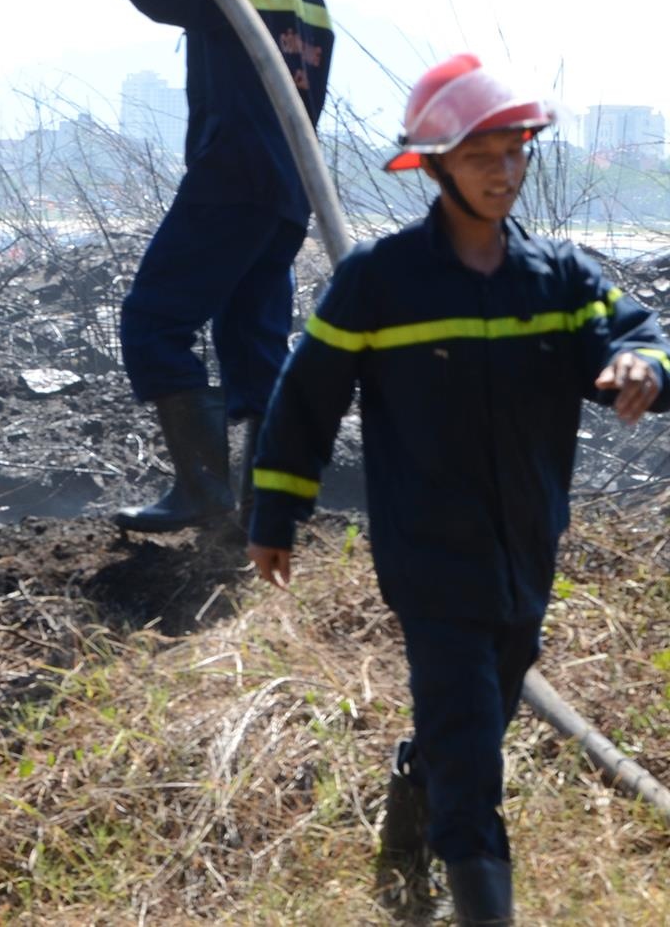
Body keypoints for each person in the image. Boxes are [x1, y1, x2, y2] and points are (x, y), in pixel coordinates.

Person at [246, 54, 670, 925]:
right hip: (428, 554)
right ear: (436, 164)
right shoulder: (380, 279)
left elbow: (636, 332)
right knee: (475, 752)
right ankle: (479, 893)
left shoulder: (559, 278)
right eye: (483, 156)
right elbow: (306, 399)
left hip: (526, 548)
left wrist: (644, 366)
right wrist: (277, 512)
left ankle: (414, 783)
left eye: (516, 152)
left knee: (483, 712)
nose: (504, 172)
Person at [61, 0, 333, 534]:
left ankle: (205, 491)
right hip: (285, 191)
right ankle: (267, 511)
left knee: (154, 321)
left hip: (234, 177)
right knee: (252, 345)